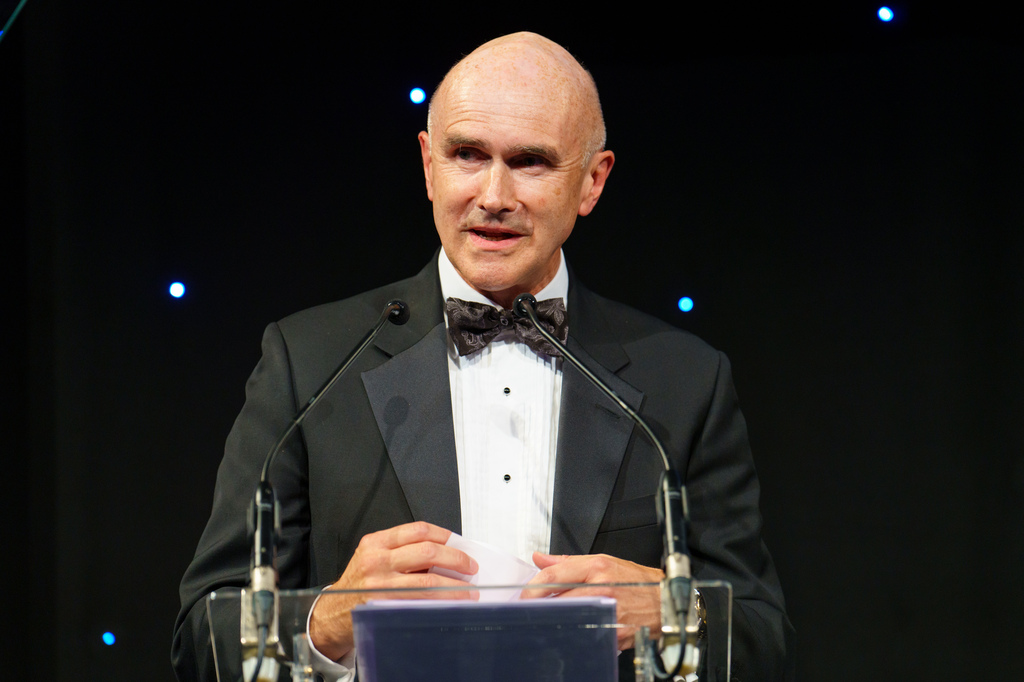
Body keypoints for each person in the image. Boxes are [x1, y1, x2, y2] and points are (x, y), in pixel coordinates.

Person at [173, 32, 794, 681]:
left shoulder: (685, 379)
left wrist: (676, 612)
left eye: (530, 162)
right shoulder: (309, 361)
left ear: (592, 181)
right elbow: (200, 639)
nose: (494, 195)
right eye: (467, 154)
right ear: (428, 165)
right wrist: (323, 622)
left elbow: (765, 641)